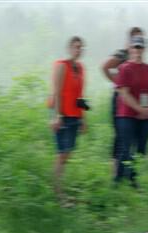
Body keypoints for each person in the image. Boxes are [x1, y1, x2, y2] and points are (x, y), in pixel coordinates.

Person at [115, 35, 148, 187]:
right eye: (135, 47)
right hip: (127, 115)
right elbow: (123, 93)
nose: (137, 50)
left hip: (145, 116)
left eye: (140, 47)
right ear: (130, 49)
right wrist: (140, 109)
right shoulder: (125, 68)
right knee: (126, 149)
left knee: (141, 150)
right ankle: (118, 181)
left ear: (144, 49)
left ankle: (133, 180)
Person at [49, 36, 87, 203]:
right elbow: (56, 92)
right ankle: (58, 193)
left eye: (80, 47)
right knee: (61, 154)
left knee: (67, 153)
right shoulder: (62, 65)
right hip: (62, 115)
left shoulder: (80, 68)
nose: (78, 50)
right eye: (75, 47)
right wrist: (56, 115)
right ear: (69, 48)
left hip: (74, 115)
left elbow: (80, 96)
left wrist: (83, 118)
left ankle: (60, 189)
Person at [101, 27, 143, 173]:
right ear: (129, 39)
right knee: (120, 135)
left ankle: (126, 170)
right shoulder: (122, 54)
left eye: (141, 38)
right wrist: (116, 82)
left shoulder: (137, 56)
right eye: (136, 38)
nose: (138, 42)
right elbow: (105, 66)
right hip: (120, 100)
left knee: (130, 135)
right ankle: (115, 171)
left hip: (133, 101)